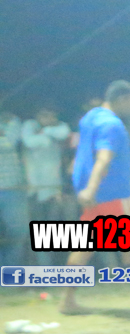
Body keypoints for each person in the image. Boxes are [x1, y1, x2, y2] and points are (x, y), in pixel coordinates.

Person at [61, 81, 130, 315]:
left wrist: (85, 187)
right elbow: (104, 158)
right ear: (122, 99)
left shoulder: (90, 117)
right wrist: (92, 188)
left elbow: (82, 151)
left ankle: (67, 300)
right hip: (113, 192)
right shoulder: (113, 125)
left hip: (94, 193)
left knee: (84, 247)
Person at [22, 104, 72, 243]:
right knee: (35, 230)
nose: (49, 118)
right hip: (34, 189)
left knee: (52, 231)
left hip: (54, 188)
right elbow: (29, 141)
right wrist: (47, 135)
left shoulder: (58, 127)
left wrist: (45, 131)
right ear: (37, 115)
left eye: (52, 115)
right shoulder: (29, 125)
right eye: (45, 115)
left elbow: (64, 132)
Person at [0, 109, 29, 266]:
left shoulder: (10, 121)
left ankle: (8, 271)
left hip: (12, 188)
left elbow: (11, 140)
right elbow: (8, 142)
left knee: (18, 233)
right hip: (11, 190)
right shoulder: (9, 123)